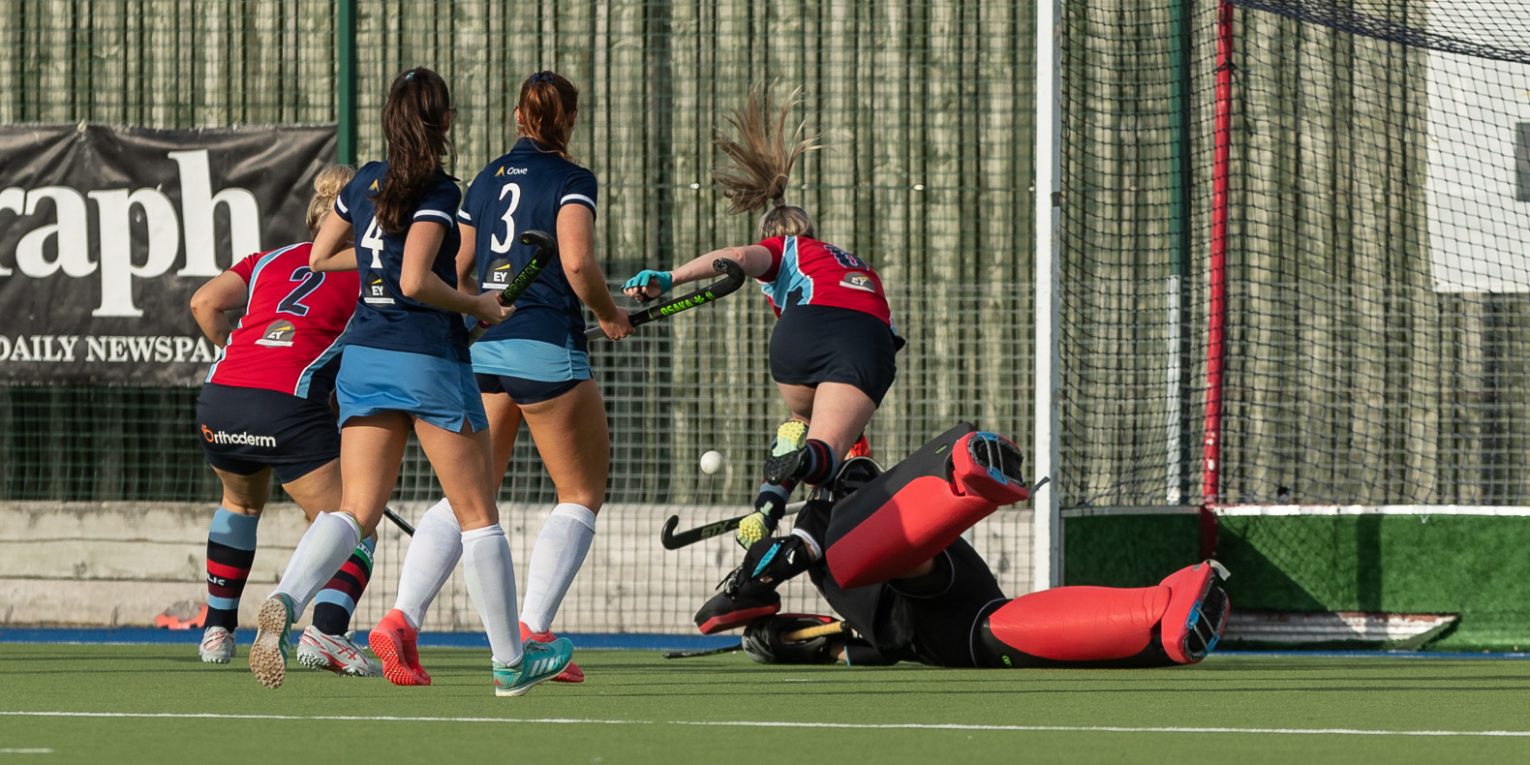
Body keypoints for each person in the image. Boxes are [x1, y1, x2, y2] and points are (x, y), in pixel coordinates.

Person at [247, 66, 572, 697]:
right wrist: (477, 306)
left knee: (356, 509)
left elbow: (319, 257)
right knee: (478, 514)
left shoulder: (366, 178)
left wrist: (377, 259)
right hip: (426, 358)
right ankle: (510, 662)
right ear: (444, 121)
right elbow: (417, 280)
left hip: (365, 359)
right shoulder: (439, 190)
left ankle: (286, 599)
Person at [378, 70, 632, 686]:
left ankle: (401, 619)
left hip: (485, 350)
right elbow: (575, 260)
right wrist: (607, 313)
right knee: (579, 492)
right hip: (546, 350)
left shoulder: (486, 179)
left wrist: (482, 312)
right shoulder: (573, 179)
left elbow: (460, 267)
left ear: (519, 118)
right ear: (568, 121)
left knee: (472, 495)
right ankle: (534, 631)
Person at [697, 423, 1231, 669]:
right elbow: (873, 648)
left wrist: (741, 588)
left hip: (931, 611)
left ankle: (959, 484)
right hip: (952, 601)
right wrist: (827, 644)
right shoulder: (844, 513)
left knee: (871, 555)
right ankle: (1161, 615)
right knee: (1000, 622)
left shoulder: (825, 515)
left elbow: (785, 559)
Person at [621, 83, 899, 549]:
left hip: (803, 335)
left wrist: (670, 278)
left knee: (801, 421)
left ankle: (767, 509)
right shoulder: (853, 262)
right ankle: (822, 467)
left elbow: (735, 257)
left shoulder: (783, 248)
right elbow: (867, 339)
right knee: (827, 447)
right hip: (871, 340)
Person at [187, 164, 382, 677]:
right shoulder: (368, 270)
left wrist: (237, 352)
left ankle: (216, 630)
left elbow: (204, 302)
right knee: (353, 523)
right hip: (287, 407)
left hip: (221, 398)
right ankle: (327, 633)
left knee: (240, 503)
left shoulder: (269, 258)